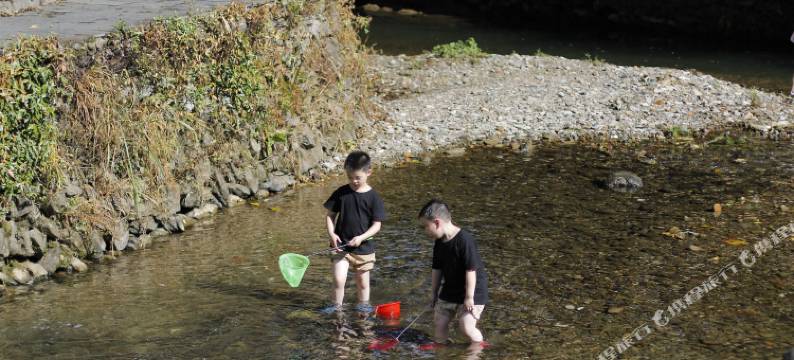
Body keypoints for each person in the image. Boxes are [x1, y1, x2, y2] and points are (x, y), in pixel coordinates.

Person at [323, 150, 386, 313]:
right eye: (350, 177)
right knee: (338, 279)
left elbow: (377, 226)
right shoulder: (341, 193)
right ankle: (337, 309)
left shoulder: (374, 198)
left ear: (369, 172)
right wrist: (332, 234)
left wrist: (361, 238)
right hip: (340, 246)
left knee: (363, 283)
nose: (354, 181)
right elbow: (330, 216)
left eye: (358, 177)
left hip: (363, 249)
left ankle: (363, 310)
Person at [419, 199, 488, 347]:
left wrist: (469, 297)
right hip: (450, 289)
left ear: (437, 222)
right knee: (439, 322)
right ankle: (441, 348)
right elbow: (436, 269)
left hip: (473, 290)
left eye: (426, 226)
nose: (425, 231)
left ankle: (478, 347)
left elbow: (471, 270)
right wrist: (433, 293)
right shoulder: (439, 243)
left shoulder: (464, 240)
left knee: (466, 326)